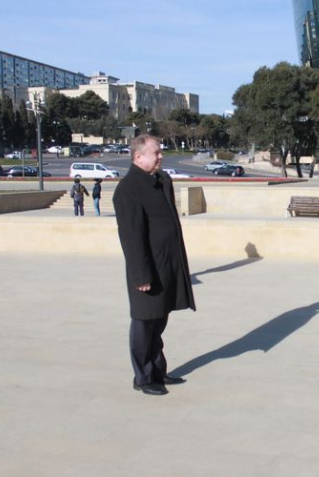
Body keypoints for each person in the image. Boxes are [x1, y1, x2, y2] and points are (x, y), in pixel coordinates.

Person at [113, 134, 196, 397]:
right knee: (144, 323)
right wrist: (141, 274)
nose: (161, 157)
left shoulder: (161, 181)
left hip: (167, 265)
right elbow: (131, 237)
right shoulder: (128, 189)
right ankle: (143, 376)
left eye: (160, 152)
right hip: (147, 269)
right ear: (138, 157)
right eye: (156, 153)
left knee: (159, 321)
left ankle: (158, 370)